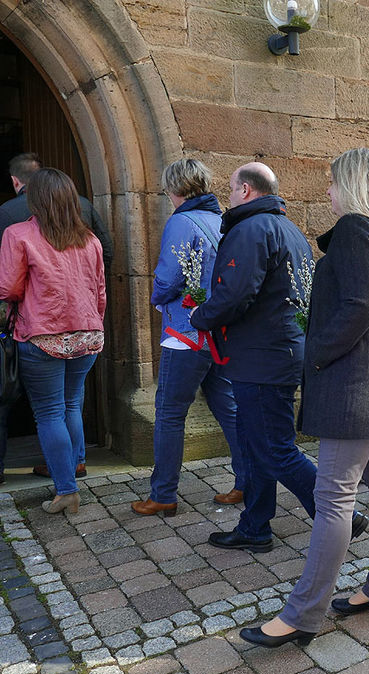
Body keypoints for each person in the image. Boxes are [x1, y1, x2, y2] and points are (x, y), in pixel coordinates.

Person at [239, 148, 369, 649]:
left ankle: (303, 614)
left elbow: (363, 305)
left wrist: (314, 353)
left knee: (334, 498)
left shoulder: (358, 231)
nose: (328, 192)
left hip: (355, 390)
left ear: (355, 186)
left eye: (334, 183)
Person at [190, 162, 368, 553]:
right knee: (257, 443)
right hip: (277, 352)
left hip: (262, 357)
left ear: (247, 191)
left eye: (233, 188)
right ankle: (254, 526)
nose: (229, 196)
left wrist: (199, 315)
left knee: (275, 448)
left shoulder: (251, 229)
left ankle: (341, 514)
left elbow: (236, 294)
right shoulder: (287, 229)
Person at [131, 159, 245, 517]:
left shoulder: (181, 221)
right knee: (228, 408)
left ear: (174, 189)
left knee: (168, 413)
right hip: (217, 331)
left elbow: (168, 276)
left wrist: (156, 297)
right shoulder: (220, 220)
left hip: (186, 333)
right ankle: (247, 481)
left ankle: (163, 493)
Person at [0, 153, 114, 482]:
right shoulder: (89, 239)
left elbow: (7, 289)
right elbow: (100, 290)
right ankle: (75, 465)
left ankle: (66, 489)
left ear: (34, 198)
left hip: (42, 335)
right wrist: (93, 323)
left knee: (50, 413)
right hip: (87, 334)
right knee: (71, 404)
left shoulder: (18, 234)